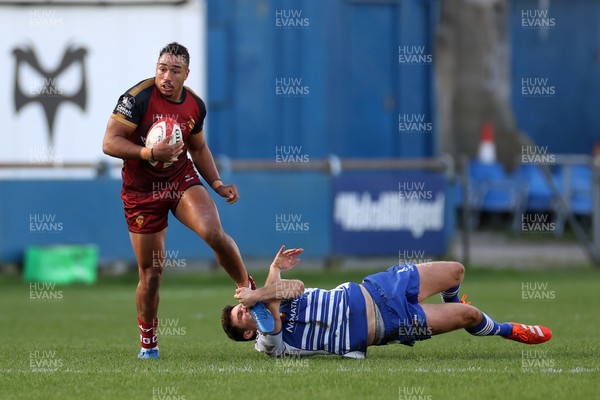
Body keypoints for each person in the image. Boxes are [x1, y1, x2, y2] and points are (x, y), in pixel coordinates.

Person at [102, 42, 268, 359]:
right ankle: (148, 343)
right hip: (141, 191)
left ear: (186, 74)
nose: (166, 76)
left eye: (174, 71)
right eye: (161, 68)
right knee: (151, 274)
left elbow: (199, 148)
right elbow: (109, 142)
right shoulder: (135, 98)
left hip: (179, 179)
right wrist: (149, 153)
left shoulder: (195, 105)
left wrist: (217, 182)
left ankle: (252, 295)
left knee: (213, 233)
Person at [221, 246, 552, 358]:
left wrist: (274, 269)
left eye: (241, 305)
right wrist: (256, 295)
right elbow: (272, 317)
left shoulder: (267, 299)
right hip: (384, 325)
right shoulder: (267, 341)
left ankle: (449, 299)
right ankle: (508, 330)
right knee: (469, 315)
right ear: (247, 332)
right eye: (242, 313)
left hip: (378, 288)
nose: (246, 308)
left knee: (455, 270)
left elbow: (294, 286)